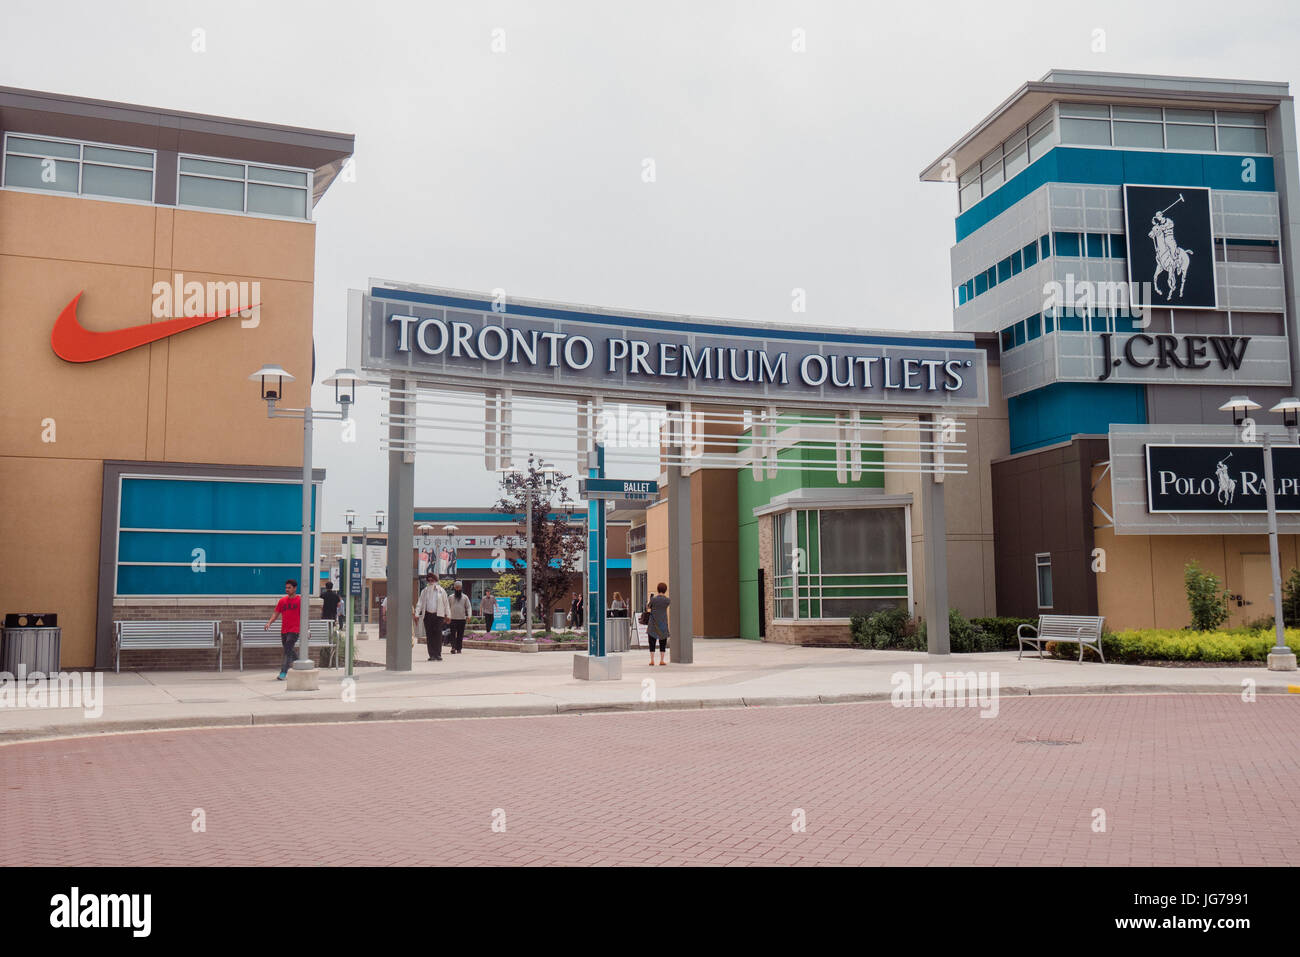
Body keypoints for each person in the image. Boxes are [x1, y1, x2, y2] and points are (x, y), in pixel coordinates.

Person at [265, 579, 302, 680]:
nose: (287, 589)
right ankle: (300, 663)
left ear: (295, 588)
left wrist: (307, 629)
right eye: (286, 588)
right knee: (289, 650)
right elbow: (276, 613)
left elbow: (305, 616)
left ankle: (283, 672)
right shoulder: (282, 601)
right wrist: (269, 622)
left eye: (289, 588)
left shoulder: (300, 600)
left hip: (295, 630)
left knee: (287, 650)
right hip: (284, 630)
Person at [413, 571, 449, 661]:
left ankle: (438, 654)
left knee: (438, 635)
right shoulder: (424, 591)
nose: (430, 581)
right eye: (429, 580)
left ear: (435, 580)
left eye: (432, 580)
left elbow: (446, 603)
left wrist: (448, 615)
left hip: (438, 615)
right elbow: (420, 603)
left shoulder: (441, 591)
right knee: (430, 635)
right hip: (428, 615)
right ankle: (432, 655)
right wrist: (417, 614)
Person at [646, 581, 670, 666]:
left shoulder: (654, 599)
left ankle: (652, 660)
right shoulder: (667, 600)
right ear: (665, 590)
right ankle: (662, 660)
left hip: (653, 623)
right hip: (663, 623)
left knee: (652, 642)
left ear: (658, 589)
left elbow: (648, 607)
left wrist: (651, 599)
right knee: (662, 641)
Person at [447, 580, 472, 653]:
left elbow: (468, 607)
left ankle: (459, 648)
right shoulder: (450, 597)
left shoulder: (465, 597)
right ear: (454, 588)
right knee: (452, 634)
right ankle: (453, 647)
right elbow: (447, 607)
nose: (458, 589)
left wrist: (469, 615)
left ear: (461, 588)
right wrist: (447, 616)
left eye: (459, 587)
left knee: (460, 634)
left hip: (462, 619)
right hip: (453, 619)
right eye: (456, 587)